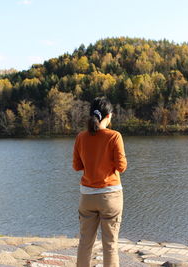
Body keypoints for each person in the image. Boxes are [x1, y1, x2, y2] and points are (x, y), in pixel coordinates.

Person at [73, 96, 127, 267]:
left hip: (87, 197)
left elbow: (76, 166)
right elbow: (121, 166)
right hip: (110, 196)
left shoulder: (81, 137)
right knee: (110, 244)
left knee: (85, 243)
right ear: (109, 116)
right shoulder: (114, 136)